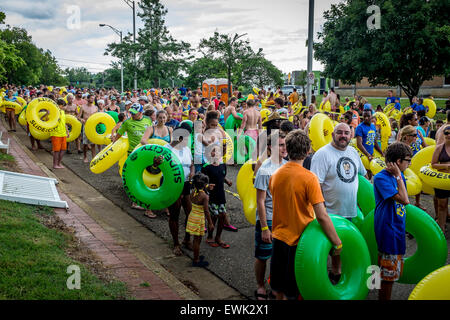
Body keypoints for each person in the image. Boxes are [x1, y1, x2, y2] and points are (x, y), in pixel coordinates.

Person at [268, 130, 342, 300]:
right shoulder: (310, 178)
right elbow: (322, 216)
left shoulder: (275, 175)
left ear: (286, 148)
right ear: (308, 150)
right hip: (299, 242)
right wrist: (337, 243)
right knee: (296, 292)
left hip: (278, 238)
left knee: (278, 289)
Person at [311, 123, 367, 284]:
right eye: (339, 132)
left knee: (342, 245)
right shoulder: (322, 154)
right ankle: (325, 275)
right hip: (328, 212)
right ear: (332, 134)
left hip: (350, 209)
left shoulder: (353, 152)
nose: (343, 136)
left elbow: (362, 176)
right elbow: (315, 186)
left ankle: (338, 271)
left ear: (351, 136)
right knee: (327, 246)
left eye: (346, 133)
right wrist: (320, 211)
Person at [374, 142, 412, 300]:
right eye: (408, 160)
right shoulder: (381, 178)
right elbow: (405, 200)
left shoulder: (399, 176)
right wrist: (397, 176)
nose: (410, 163)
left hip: (396, 227)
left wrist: (398, 176)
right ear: (398, 161)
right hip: (389, 231)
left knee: (387, 270)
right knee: (388, 278)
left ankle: (375, 292)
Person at [254, 132, 288, 300]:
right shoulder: (265, 169)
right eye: (280, 145)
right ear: (270, 147)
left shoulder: (289, 166)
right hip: (267, 218)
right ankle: (260, 285)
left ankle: (276, 287)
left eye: (285, 144)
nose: (284, 148)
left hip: (285, 219)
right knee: (263, 255)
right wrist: (264, 228)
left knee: (280, 256)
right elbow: (260, 201)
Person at [162, 123, 195, 255]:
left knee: (190, 213)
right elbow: (156, 165)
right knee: (174, 214)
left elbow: (191, 164)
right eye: (183, 138)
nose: (185, 141)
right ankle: (176, 243)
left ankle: (187, 240)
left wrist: (192, 172)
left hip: (186, 184)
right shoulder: (166, 148)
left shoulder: (186, 149)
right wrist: (156, 162)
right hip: (172, 185)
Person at [114, 103, 153, 214]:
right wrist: (113, 146)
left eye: (134, 113)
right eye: (131, 112)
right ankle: (134, 201)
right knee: (134, 177)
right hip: (133, 153)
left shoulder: (148, 120)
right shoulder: (127, 122)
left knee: (145, 177)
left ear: (141, 113)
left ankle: (145, 197)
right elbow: (119, 134)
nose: (131, 114)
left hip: (145, 152)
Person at [202, 144, 232, 249]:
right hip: (211, 197)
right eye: (213, 151)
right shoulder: (206, 167)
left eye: (218, 151)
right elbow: (201, 182)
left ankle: (218, 237)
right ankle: (210, 237)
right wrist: (207, 186)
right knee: (214, 216)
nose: (216, 153)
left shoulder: (223, 165)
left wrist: (227, 181)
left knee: (223, 215)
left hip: (221, 195)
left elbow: (222, 176)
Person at [186, 172, 215, 268]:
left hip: (192, 216)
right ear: (204, 184)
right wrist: (210, 223)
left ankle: (196, 256)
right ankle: (196, 260)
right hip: (199, 219)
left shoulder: (193, 192)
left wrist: (205, 189)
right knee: (197, 240)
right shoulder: (205, 196)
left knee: (195, 239)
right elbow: (206, 211)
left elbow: (199, 192)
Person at [430, 125, 450, 235]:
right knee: (442, 205)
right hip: (442, 181)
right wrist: (446, 166)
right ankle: (441, 230)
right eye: (446, 133)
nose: (448, 135)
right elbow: (433, 164)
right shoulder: (439, 148)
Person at [355, 110, 384, 178]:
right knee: (366, 176)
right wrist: (368, 155)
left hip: (371, 154)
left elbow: (374, 141)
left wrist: (381, 152)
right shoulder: (360, 127)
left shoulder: (373, 126)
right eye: (364, 116)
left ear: (372, 116)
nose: (366, 118)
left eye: (368, 116)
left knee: (371, 175)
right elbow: (359, 144)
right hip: (363, 155)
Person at [78, 94, 99, 163]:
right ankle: (85, 157)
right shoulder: (83, 107)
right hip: (86, 126)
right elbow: (78, 117)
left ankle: (93, 157)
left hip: (93, 126)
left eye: (93, 98)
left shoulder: (95, 107)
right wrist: (81, 120)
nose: (92, 99)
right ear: (87, 99)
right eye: (91, 98)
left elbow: (97, 117)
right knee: (85, 143)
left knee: (93, 143)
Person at [51, 99, 69, 169]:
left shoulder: (63, 112)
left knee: (63, 149)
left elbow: (64, 123)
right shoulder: (54, 111)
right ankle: (55, 164)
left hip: (63, 133)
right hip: (55, 133)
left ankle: (59, 163)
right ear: (60, 105)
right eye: (64, 106)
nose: (65, 107)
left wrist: (67, 131)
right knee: (56, 150)